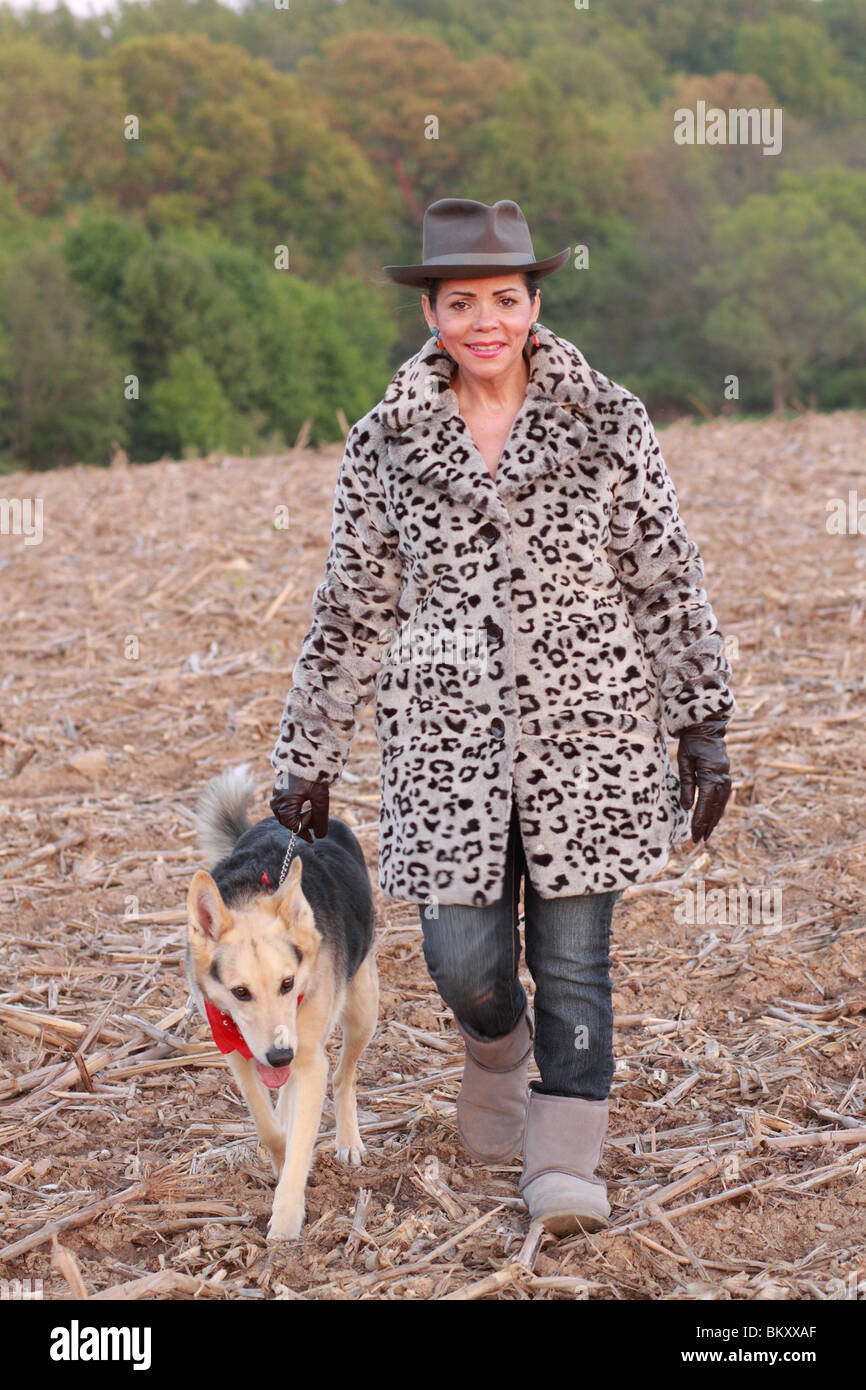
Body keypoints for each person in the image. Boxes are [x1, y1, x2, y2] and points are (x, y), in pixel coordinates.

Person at [269, 198, 735, 1235]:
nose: (486, 320)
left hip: (590, 738)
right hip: (445, 746)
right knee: (462, 960)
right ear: (430, 312)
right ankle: (495, 1049)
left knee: (574, 960)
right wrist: (308, 755)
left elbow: (662, 575)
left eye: (506, 299)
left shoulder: (607, 419)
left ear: (534, 304)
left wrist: (698, 720)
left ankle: (564, 1155)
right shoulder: (382, 442)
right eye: (461, 301)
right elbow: (349, 607)